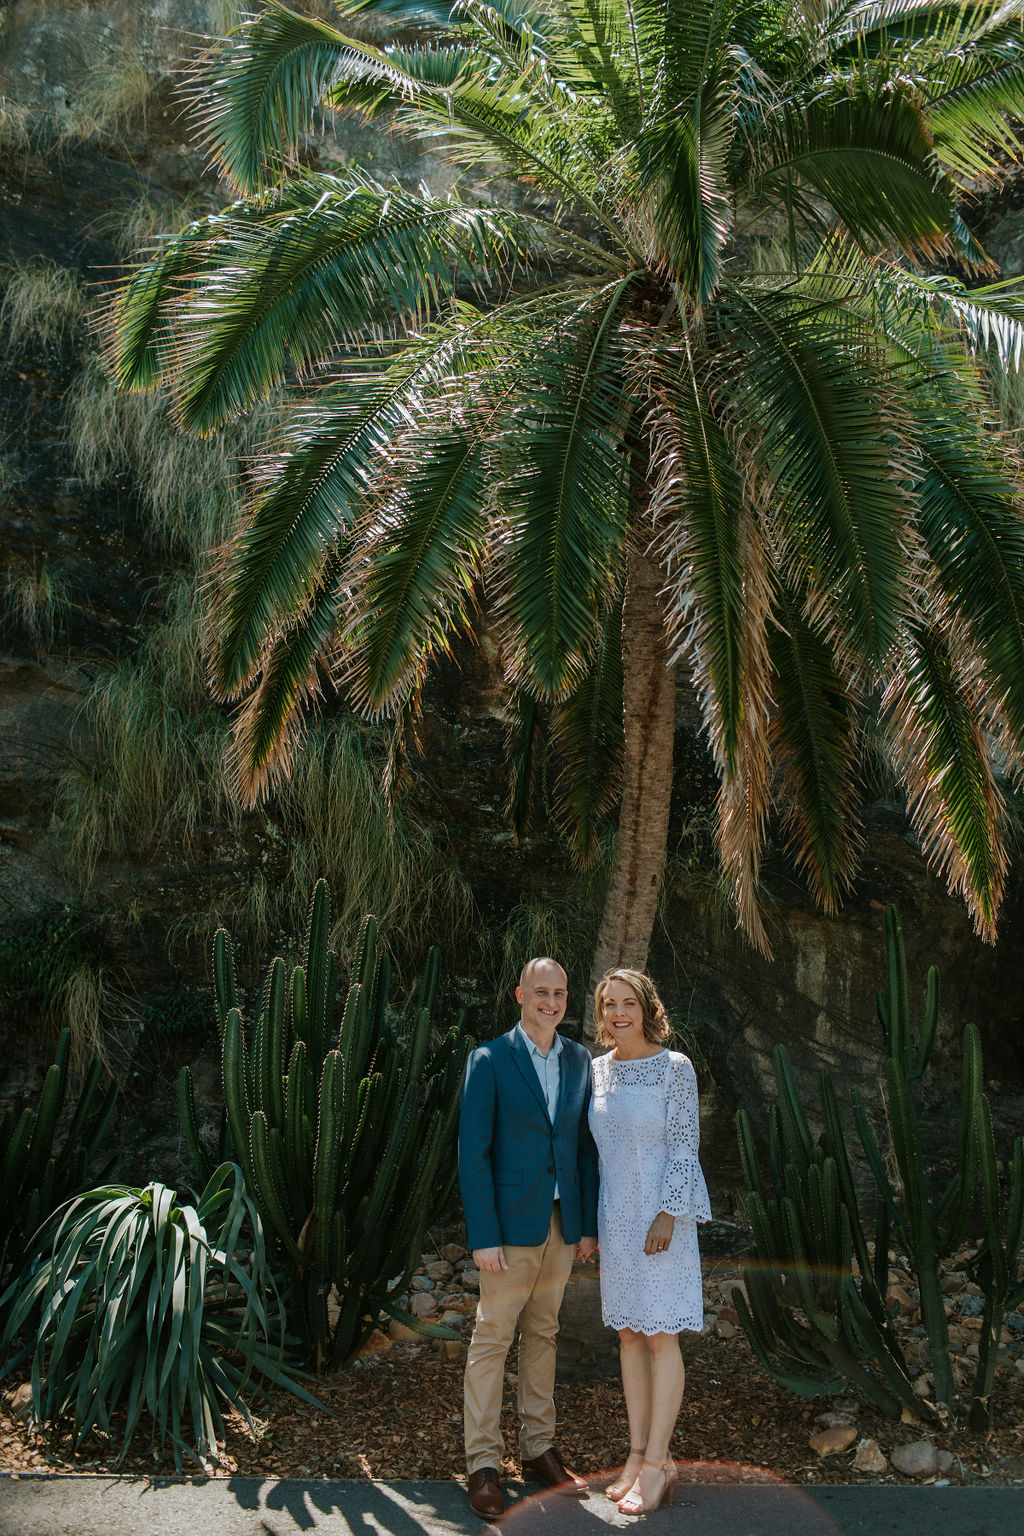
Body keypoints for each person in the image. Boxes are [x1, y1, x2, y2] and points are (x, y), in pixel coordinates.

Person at [458, 956, 599, 1521]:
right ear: (520, 994)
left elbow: (583, 1149)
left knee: (544, 1333)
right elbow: (474, 1153)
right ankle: (483, 1465)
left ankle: (538, 1450)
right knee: (492, 1339)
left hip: (561, 1227)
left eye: (560, 993)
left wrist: (586, 1225)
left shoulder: (580, 1059)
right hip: (509, 1229)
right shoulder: (490, 1059)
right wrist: (483, 1236)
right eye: (541, 992)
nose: (551, 1001)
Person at [588, 967, 711, 1516]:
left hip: (662, 1224)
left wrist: (667, 1213)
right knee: (630, 1337)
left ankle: (660, 1464)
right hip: (616, 1221)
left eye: (627, 1003)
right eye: (609, 1003)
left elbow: (685, 1147)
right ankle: (636, 1456)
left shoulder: (674, 1068)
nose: (618, 1012)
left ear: (646, 1008)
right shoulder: (596, 1072)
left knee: (663, 1338)